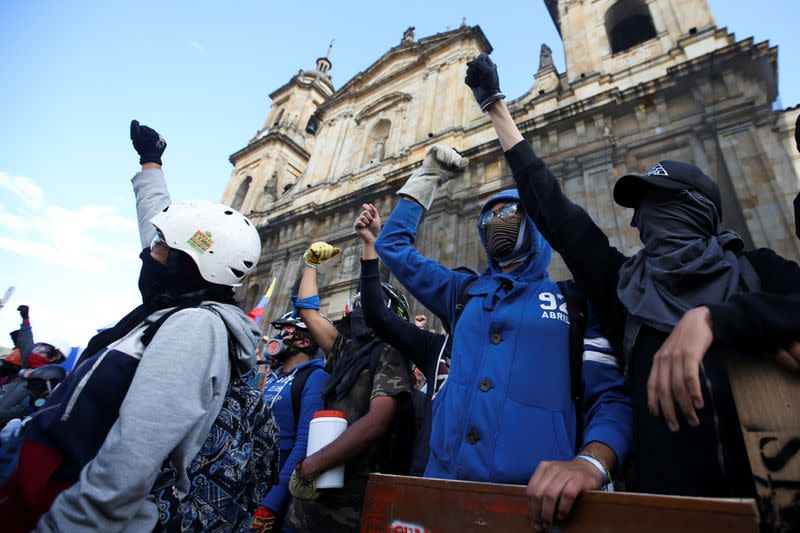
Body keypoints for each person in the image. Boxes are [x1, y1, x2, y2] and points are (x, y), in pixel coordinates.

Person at [463, 53, 800, 500]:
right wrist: (496, 109)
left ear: (699, 211)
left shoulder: (757, 272)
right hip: (668, 511)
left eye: (658, 204)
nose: (641, 220)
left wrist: (716, 320)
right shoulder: (624, 288)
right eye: (640, 210)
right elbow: (557, 214)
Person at [0, 120, 265, 532]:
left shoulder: (195, 327)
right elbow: (163, 230)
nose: (149, 253)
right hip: (47, 473)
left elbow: (136, 450)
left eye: (161, 247)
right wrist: (151, 165)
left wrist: (72, 524)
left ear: (191, 265)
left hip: (74, 499)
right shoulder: (174, 304)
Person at [374, 144, 632, 531]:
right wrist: (426, 178)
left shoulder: (575, 302)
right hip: (442, 495)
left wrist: (591, 463)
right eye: (488, 216)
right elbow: (392, 247)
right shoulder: (461, 292)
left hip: (534, 508)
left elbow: (611, 399)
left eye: (509, 212)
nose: (498, 220)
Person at [285, 241, 412, 533]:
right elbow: (309, 312)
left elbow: (377, 420)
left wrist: (311, 465)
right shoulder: (346, 349)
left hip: (348, 506)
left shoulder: (390, 353)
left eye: (364, 303)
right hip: (309, 505)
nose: (357, 309)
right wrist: (311, 264)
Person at [249, 313, 328, 533]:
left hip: (274, 488)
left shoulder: (315, 376)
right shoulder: (268, 375)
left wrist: (271, 503)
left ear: (304, 342)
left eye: (286, 332)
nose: (278, 337)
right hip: (245, 481)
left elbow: (304, 443)